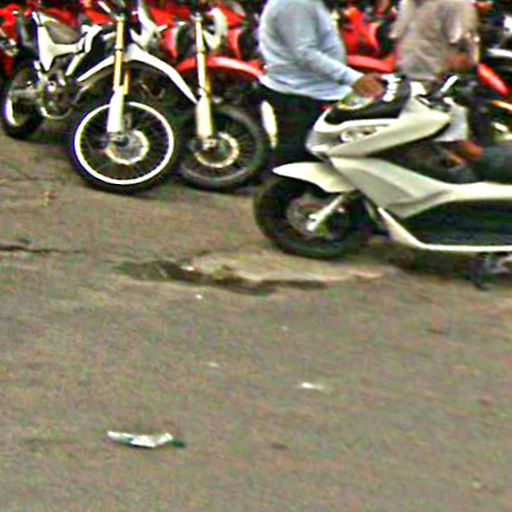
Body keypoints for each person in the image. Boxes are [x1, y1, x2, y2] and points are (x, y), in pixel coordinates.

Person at [258, 0, 385, 168]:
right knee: (298, 164)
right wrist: (353, 79)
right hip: (300, 94)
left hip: (317, 90)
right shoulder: (296, 3)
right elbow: (305, 53)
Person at [391, 0, 486, 157]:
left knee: (452, 147)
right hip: (408, 82)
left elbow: (464, 53)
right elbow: (399, 38)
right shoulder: (406, 3)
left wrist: (444, 83)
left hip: (438, 85)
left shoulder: (455, 4)